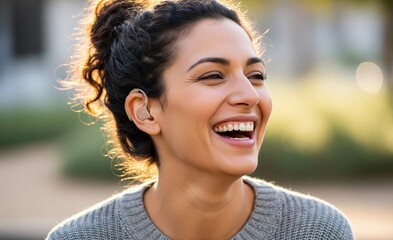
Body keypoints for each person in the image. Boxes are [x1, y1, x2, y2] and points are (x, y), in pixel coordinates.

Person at [47, 0, 354, 239]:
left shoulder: (318, 231)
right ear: (145, 111)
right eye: (213, 76)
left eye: (256, 75)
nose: (249, 95)